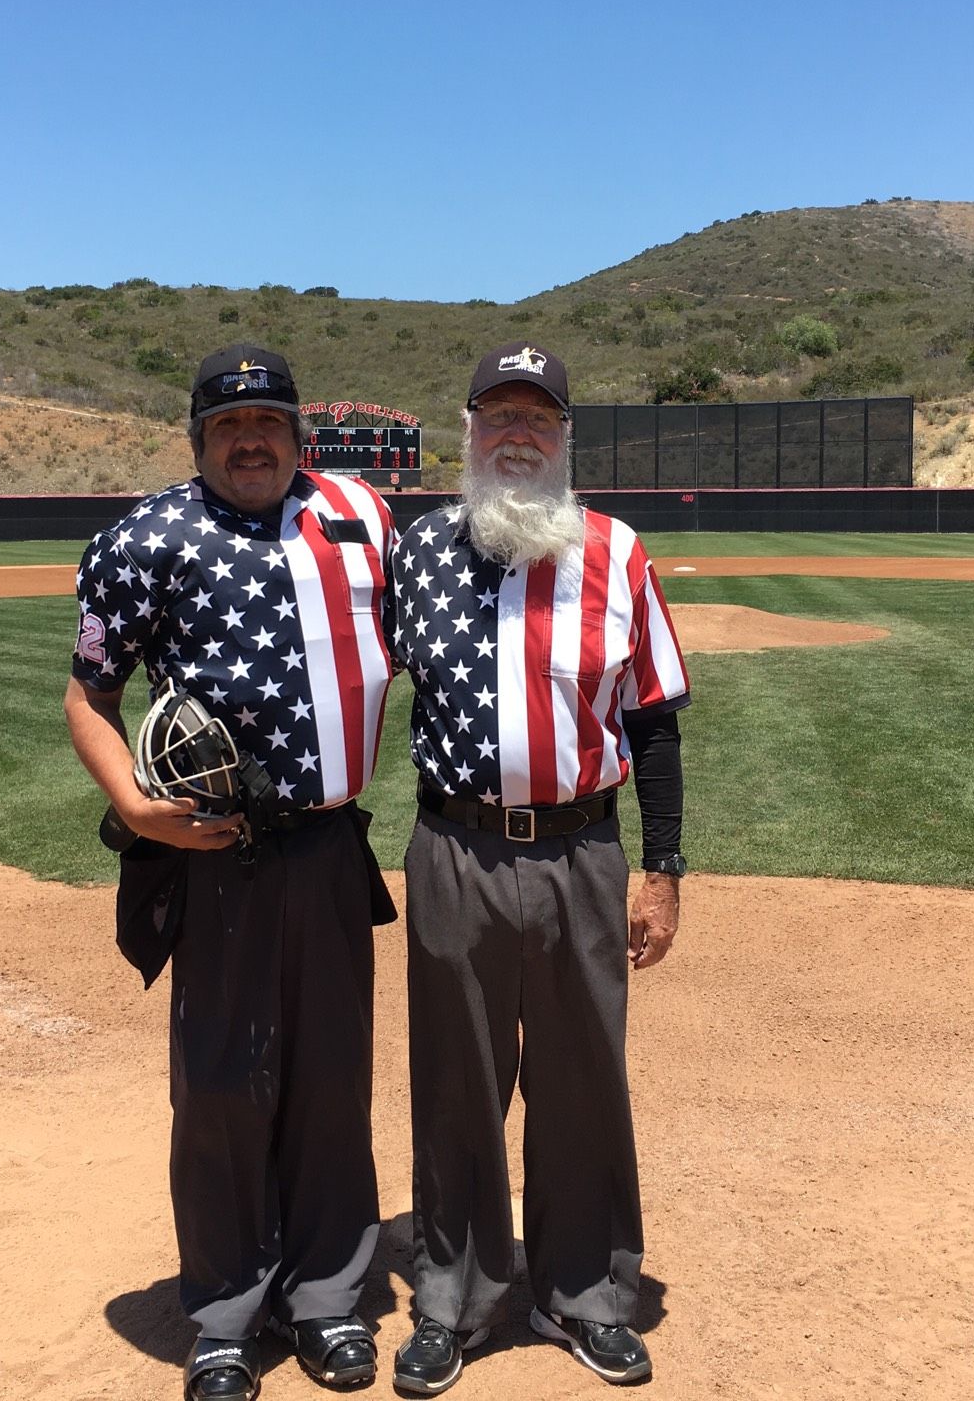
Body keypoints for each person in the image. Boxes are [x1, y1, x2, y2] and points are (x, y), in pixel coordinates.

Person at [63, 344, 398, 1401]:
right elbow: (88, 695)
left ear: (298, 432)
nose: (250, 442)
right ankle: (223, 1312)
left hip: (330, 846)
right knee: (218, 1085)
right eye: (227, 428)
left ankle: (329, 1299)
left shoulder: (362, 519)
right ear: (198, 437)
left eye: (268, 424)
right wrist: (128, 801)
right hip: (215, 856)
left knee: (330, 1081)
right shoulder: (142, 539)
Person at [387, 341, 689, 1394]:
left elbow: (651, 724)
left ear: (564, 438)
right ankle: (451, 1297)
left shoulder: (616, 550)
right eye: (498, 416)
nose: (517, 433)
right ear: (466, 430)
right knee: (456, 1083)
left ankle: (586, 1295)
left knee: (582, 1080)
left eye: (538, 418)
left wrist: (663, 870)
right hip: (451, 849)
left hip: (580, 849)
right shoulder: (413, 554)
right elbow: (343, 672)